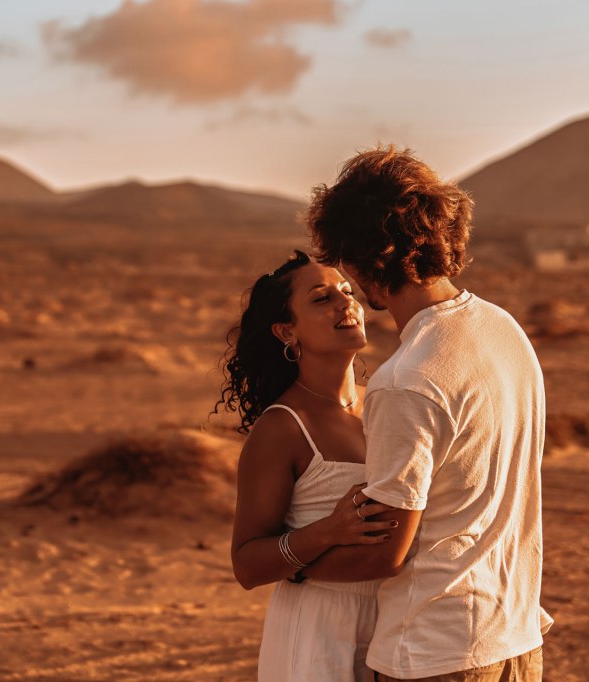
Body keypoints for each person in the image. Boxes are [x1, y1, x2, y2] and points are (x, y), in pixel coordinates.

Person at [300, 146, 553, 681]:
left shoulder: (405, 381)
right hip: (515, 639)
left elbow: (386, 552)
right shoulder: (504, 329)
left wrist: (291, 565)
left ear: (365, 259)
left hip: (435, 653)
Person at [215, 250, 397, 682]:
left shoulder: (388, 402)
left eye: (348, 291)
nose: (345, 303)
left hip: (397, 622)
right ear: (286, 331)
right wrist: (327, 532)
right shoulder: (282, 428)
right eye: (321, 298)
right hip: (318, 633)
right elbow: (247, 564)